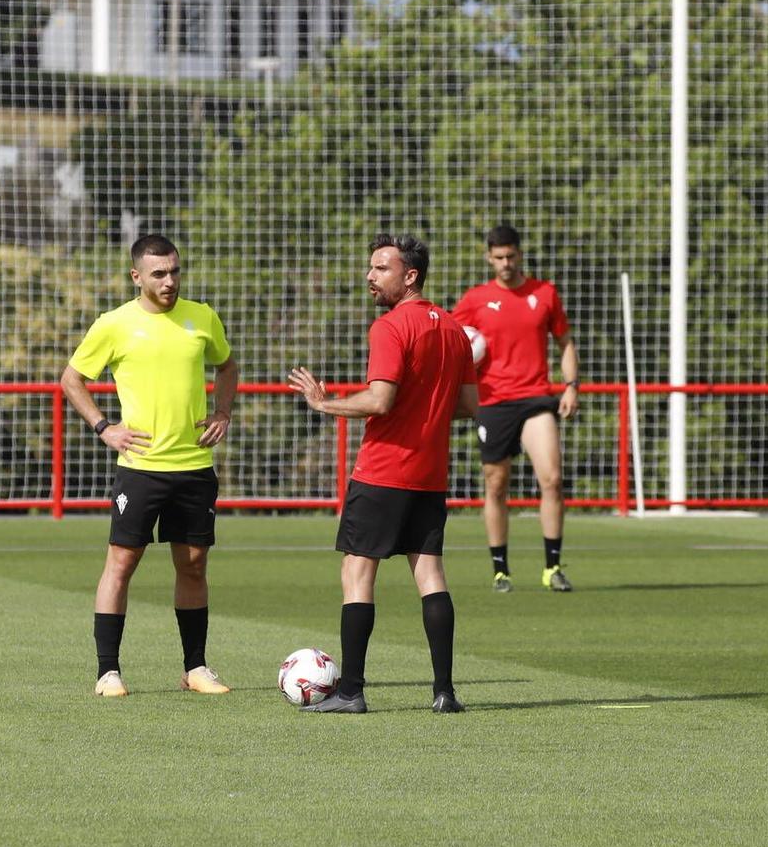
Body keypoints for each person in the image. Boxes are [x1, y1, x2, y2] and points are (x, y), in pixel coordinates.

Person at [287, 233, 480, 714]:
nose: (370, 277)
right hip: (430, 473)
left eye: (380, 269)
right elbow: (469, 406)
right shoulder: (454, 328)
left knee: (357, 571)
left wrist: (323, 402)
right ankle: (444, 692)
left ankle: (350, 690)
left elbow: (380, 400)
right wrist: (427, 413)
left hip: (384, 469)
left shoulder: (392, 327)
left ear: (409, 275)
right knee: (431, 574)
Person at [61, 233, 240, 696]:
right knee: (122, 562)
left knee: (194, 564)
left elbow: (227, 366)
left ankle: (195, 669)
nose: (170, 281)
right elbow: (72, 379)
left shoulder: (202, 318)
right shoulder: (113, 324)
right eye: (159, 273)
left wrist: (222, 412)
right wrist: (105, 428)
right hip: (139, 467)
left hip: (194, 465)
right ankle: (108, 671)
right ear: (136, 276)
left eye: (175, 271)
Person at [453, 224, 580, 593]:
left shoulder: (544, 293)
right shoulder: (476, 299)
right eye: (498, 258)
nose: (505, 263)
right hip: (493, 401)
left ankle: (552, 567)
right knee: (496, 484)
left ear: (520, 254)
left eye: (511, 256)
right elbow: (452, 341)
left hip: (536, 397)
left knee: (552, 479)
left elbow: (565, 342)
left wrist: (571, 385)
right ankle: (500, 570)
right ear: (489, 258)